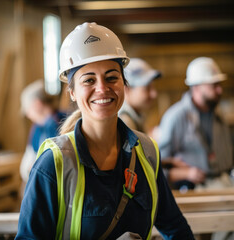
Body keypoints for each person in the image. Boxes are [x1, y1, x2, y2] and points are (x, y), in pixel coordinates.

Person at [15, 22, 194, 240]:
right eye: (89, 80)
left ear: (123, 84)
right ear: (72, 92)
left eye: (111, 77)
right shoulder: (54, 164)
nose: (102, 88)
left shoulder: (146, 152)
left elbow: (176, 228)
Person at [155, 57, 234, 191]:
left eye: (219, 85)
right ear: (196, 87)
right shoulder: (176, 117)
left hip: (224, 185)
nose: (220, 90)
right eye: (214, 85)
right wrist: (185, 174)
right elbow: (157, 167)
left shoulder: (220, 115)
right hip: (192, 190)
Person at [19, 79, 66, 183]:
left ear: (37, 104)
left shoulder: (64, 121)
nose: (28, 115)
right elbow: (28, 159)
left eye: (28, 110)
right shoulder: (36, 128)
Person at [118, 58, 161, 132]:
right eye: (147, 88)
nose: (154, 94)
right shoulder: (125, 122)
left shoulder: (136, 117)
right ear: (127, 90)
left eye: (153, 87)